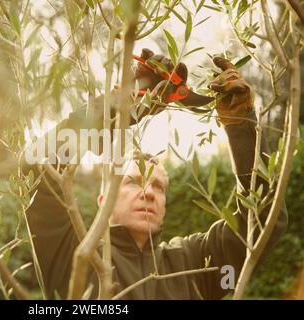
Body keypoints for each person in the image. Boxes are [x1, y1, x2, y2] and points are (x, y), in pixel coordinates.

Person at [24, 48, 288, 299]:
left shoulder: (194, 265)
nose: (148, 192)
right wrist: (119, 109)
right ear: (104, 201)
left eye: (158, 187)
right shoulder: (72, 255)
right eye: (132, 182)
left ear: (164, 205)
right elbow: (36, 165)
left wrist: (241, 126)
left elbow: (265, 219)